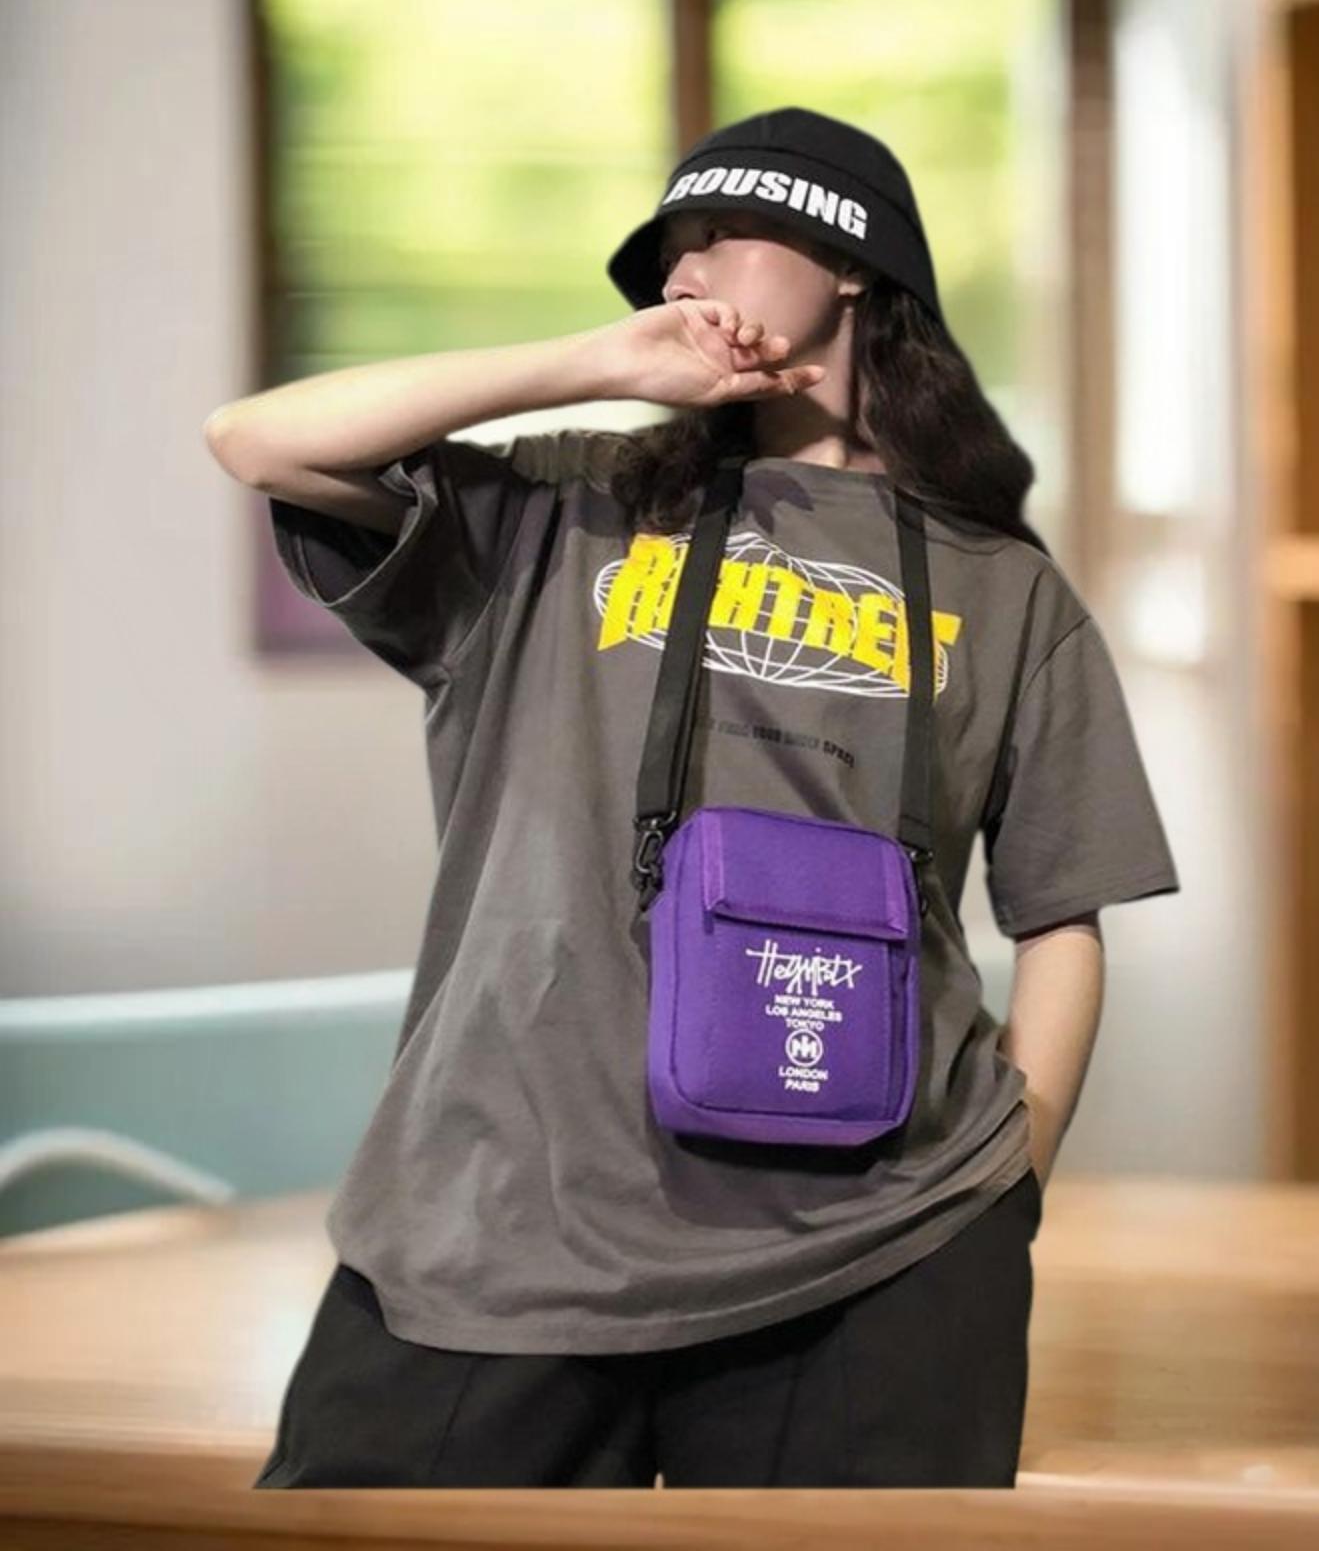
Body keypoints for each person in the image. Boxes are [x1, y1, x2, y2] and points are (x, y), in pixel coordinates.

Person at [205, 105, 1181, 1488]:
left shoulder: (1005, 589)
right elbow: (260, 440)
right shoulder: (562, 511)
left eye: (725, 235)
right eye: (670, 251)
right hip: (505, 1221)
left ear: (852, 264)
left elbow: (1065, 910)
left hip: (882, 1247)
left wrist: (1017, 1169)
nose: (683, 270)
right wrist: (600, 363)